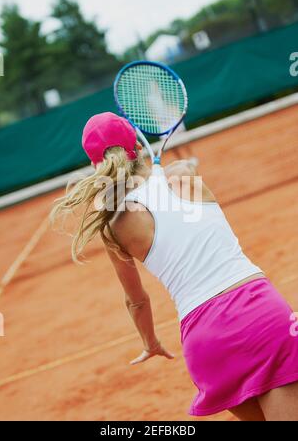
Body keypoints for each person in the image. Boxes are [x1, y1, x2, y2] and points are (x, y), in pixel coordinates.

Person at [50, 112, 298, 421]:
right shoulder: (182, 173)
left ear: (94, 165)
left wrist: (150, 342)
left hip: (204, 342)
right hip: (259, 314)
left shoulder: (113, 224)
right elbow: (182, 189)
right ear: (137, 145)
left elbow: (136, 300)